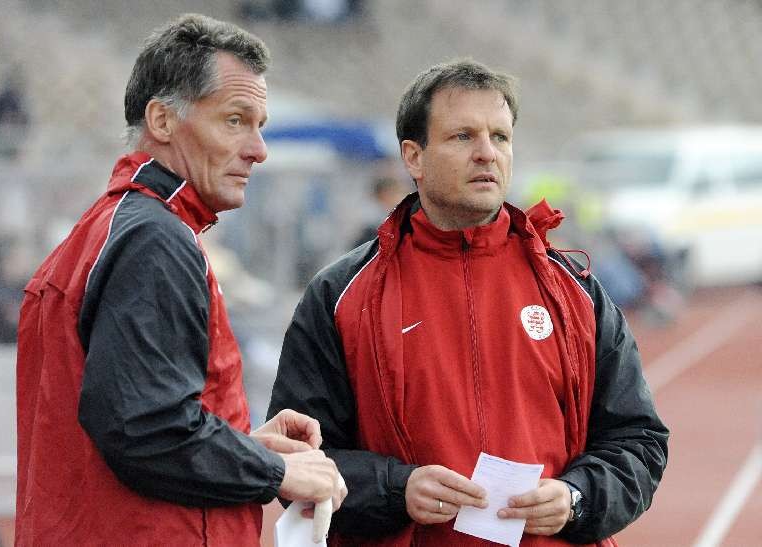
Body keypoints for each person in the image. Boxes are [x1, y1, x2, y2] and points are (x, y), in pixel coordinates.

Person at [267, 59, 668, 546]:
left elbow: (639, 440)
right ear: (414, 157)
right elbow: (296, 458)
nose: (486, 153)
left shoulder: (574, 290)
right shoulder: (341, 295)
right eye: (463, 136)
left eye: (500, 137)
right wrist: (397, 489)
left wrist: (576, 497)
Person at [15, 14, 345, 546]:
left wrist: (243, 446)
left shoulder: (112, 225)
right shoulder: (154, 237)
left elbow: (131, 420)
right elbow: (146, 429)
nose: (259, 148)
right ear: (162, 120)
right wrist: (275, 469)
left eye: (259, 124)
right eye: (235, 120)